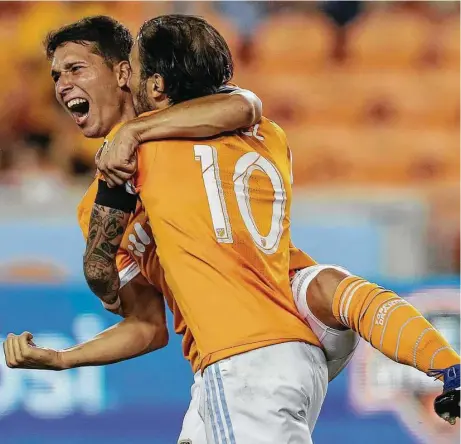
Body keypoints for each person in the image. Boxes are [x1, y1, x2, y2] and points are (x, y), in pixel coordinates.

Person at [3, 13, 458, 438]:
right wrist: (64, 359)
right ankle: (445, 363)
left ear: (129, 75)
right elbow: (149, 326)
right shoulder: (258, 130)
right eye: (56, 75)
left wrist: (130, 138)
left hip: (241, 355)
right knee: (331, 285)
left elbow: (100, 269)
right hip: (290, 337)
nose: (63, 84)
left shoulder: (137, 161)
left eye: (76, 69)